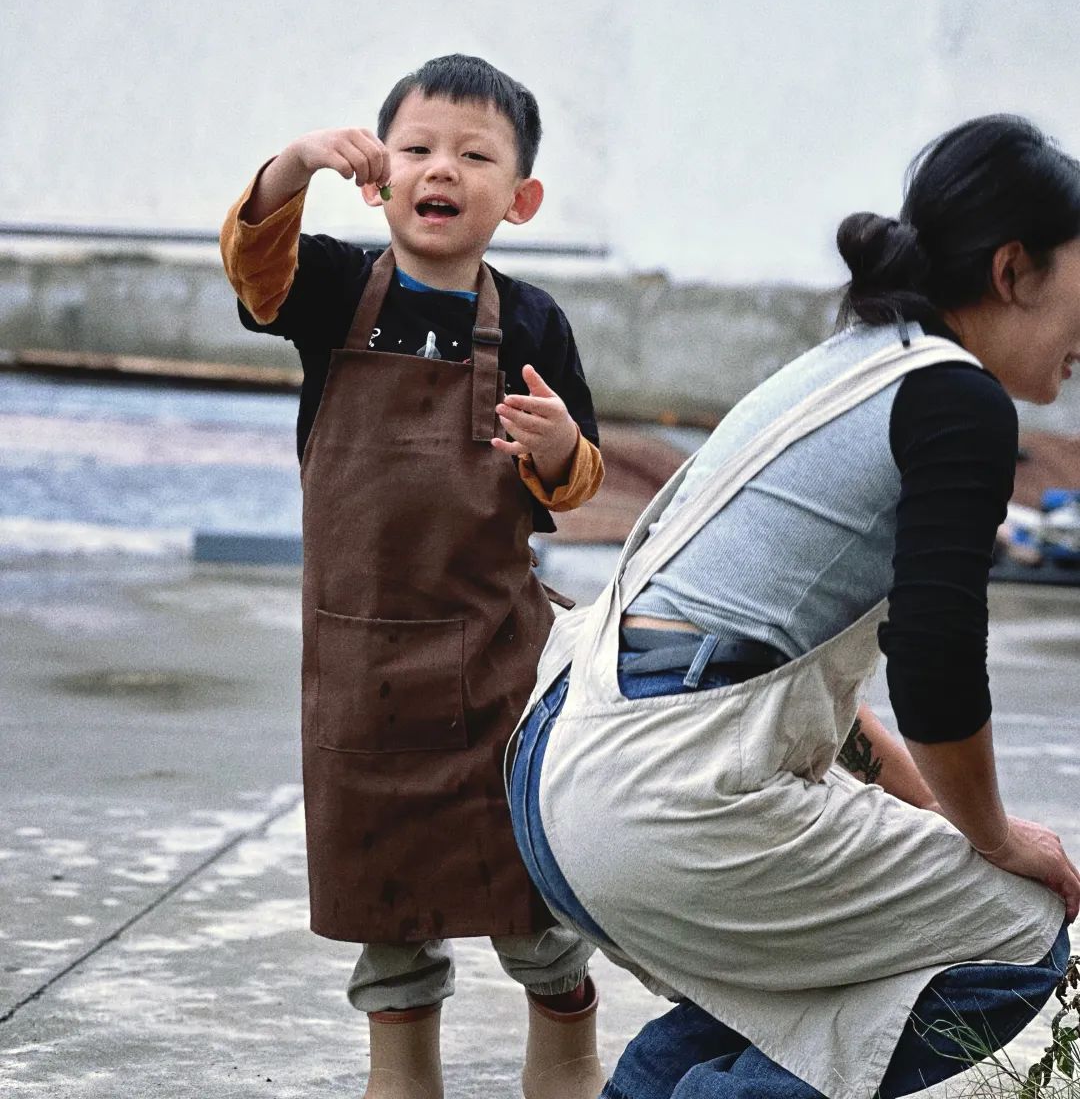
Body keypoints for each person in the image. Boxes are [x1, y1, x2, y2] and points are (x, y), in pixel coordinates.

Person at [507, 114, 1080, 1099]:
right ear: (1016, 271)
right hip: (659, 801)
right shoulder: (958, 402)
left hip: (561, 767)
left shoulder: (857, 357)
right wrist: (992, 837)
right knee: (1020, 934)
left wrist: (942, 816)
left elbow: (785, 679)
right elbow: (940, 667)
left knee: (863, 950)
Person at [220, 54, 607, 1099]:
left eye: (476, 155)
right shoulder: (336, 289)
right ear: (379, 174)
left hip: (495, 660)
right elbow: (257, 270)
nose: (444, 168)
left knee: (530, 905)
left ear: (519, 199)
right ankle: (400, 1078)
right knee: (385, 921)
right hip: (361, 670)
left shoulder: (531, 324)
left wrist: (559, 445)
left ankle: (566, 1052)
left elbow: (575, 490)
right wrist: (293, 163)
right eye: (420, 148)